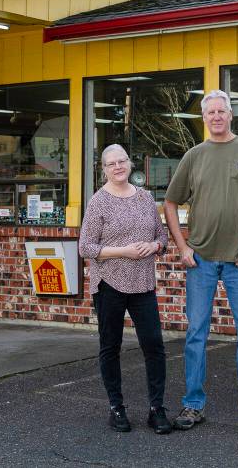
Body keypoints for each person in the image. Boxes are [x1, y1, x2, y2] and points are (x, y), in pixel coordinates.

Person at [163, 89, 238, 435]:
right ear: (203, 118)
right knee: (196, 334)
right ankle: (193, 405)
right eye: (210, 112)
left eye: (221, 111)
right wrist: (183, 248)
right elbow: (170, 203)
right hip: (200, 260)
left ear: (230, 115)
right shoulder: (194, 156)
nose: (216, 116)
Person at [78, 144, 172, 434]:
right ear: (103, 169)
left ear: (130, 164)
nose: (118, 167)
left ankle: (156, 409)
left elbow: (163, 237)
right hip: (109, 285)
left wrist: (155, 245)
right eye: (111, 164)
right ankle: (116, 408)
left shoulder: (145, 198)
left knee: (154, 345)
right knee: (111, 347)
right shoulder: (98, 202)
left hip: (143, 284)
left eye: (122, 161)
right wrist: (123, 251)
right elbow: (86, 247)